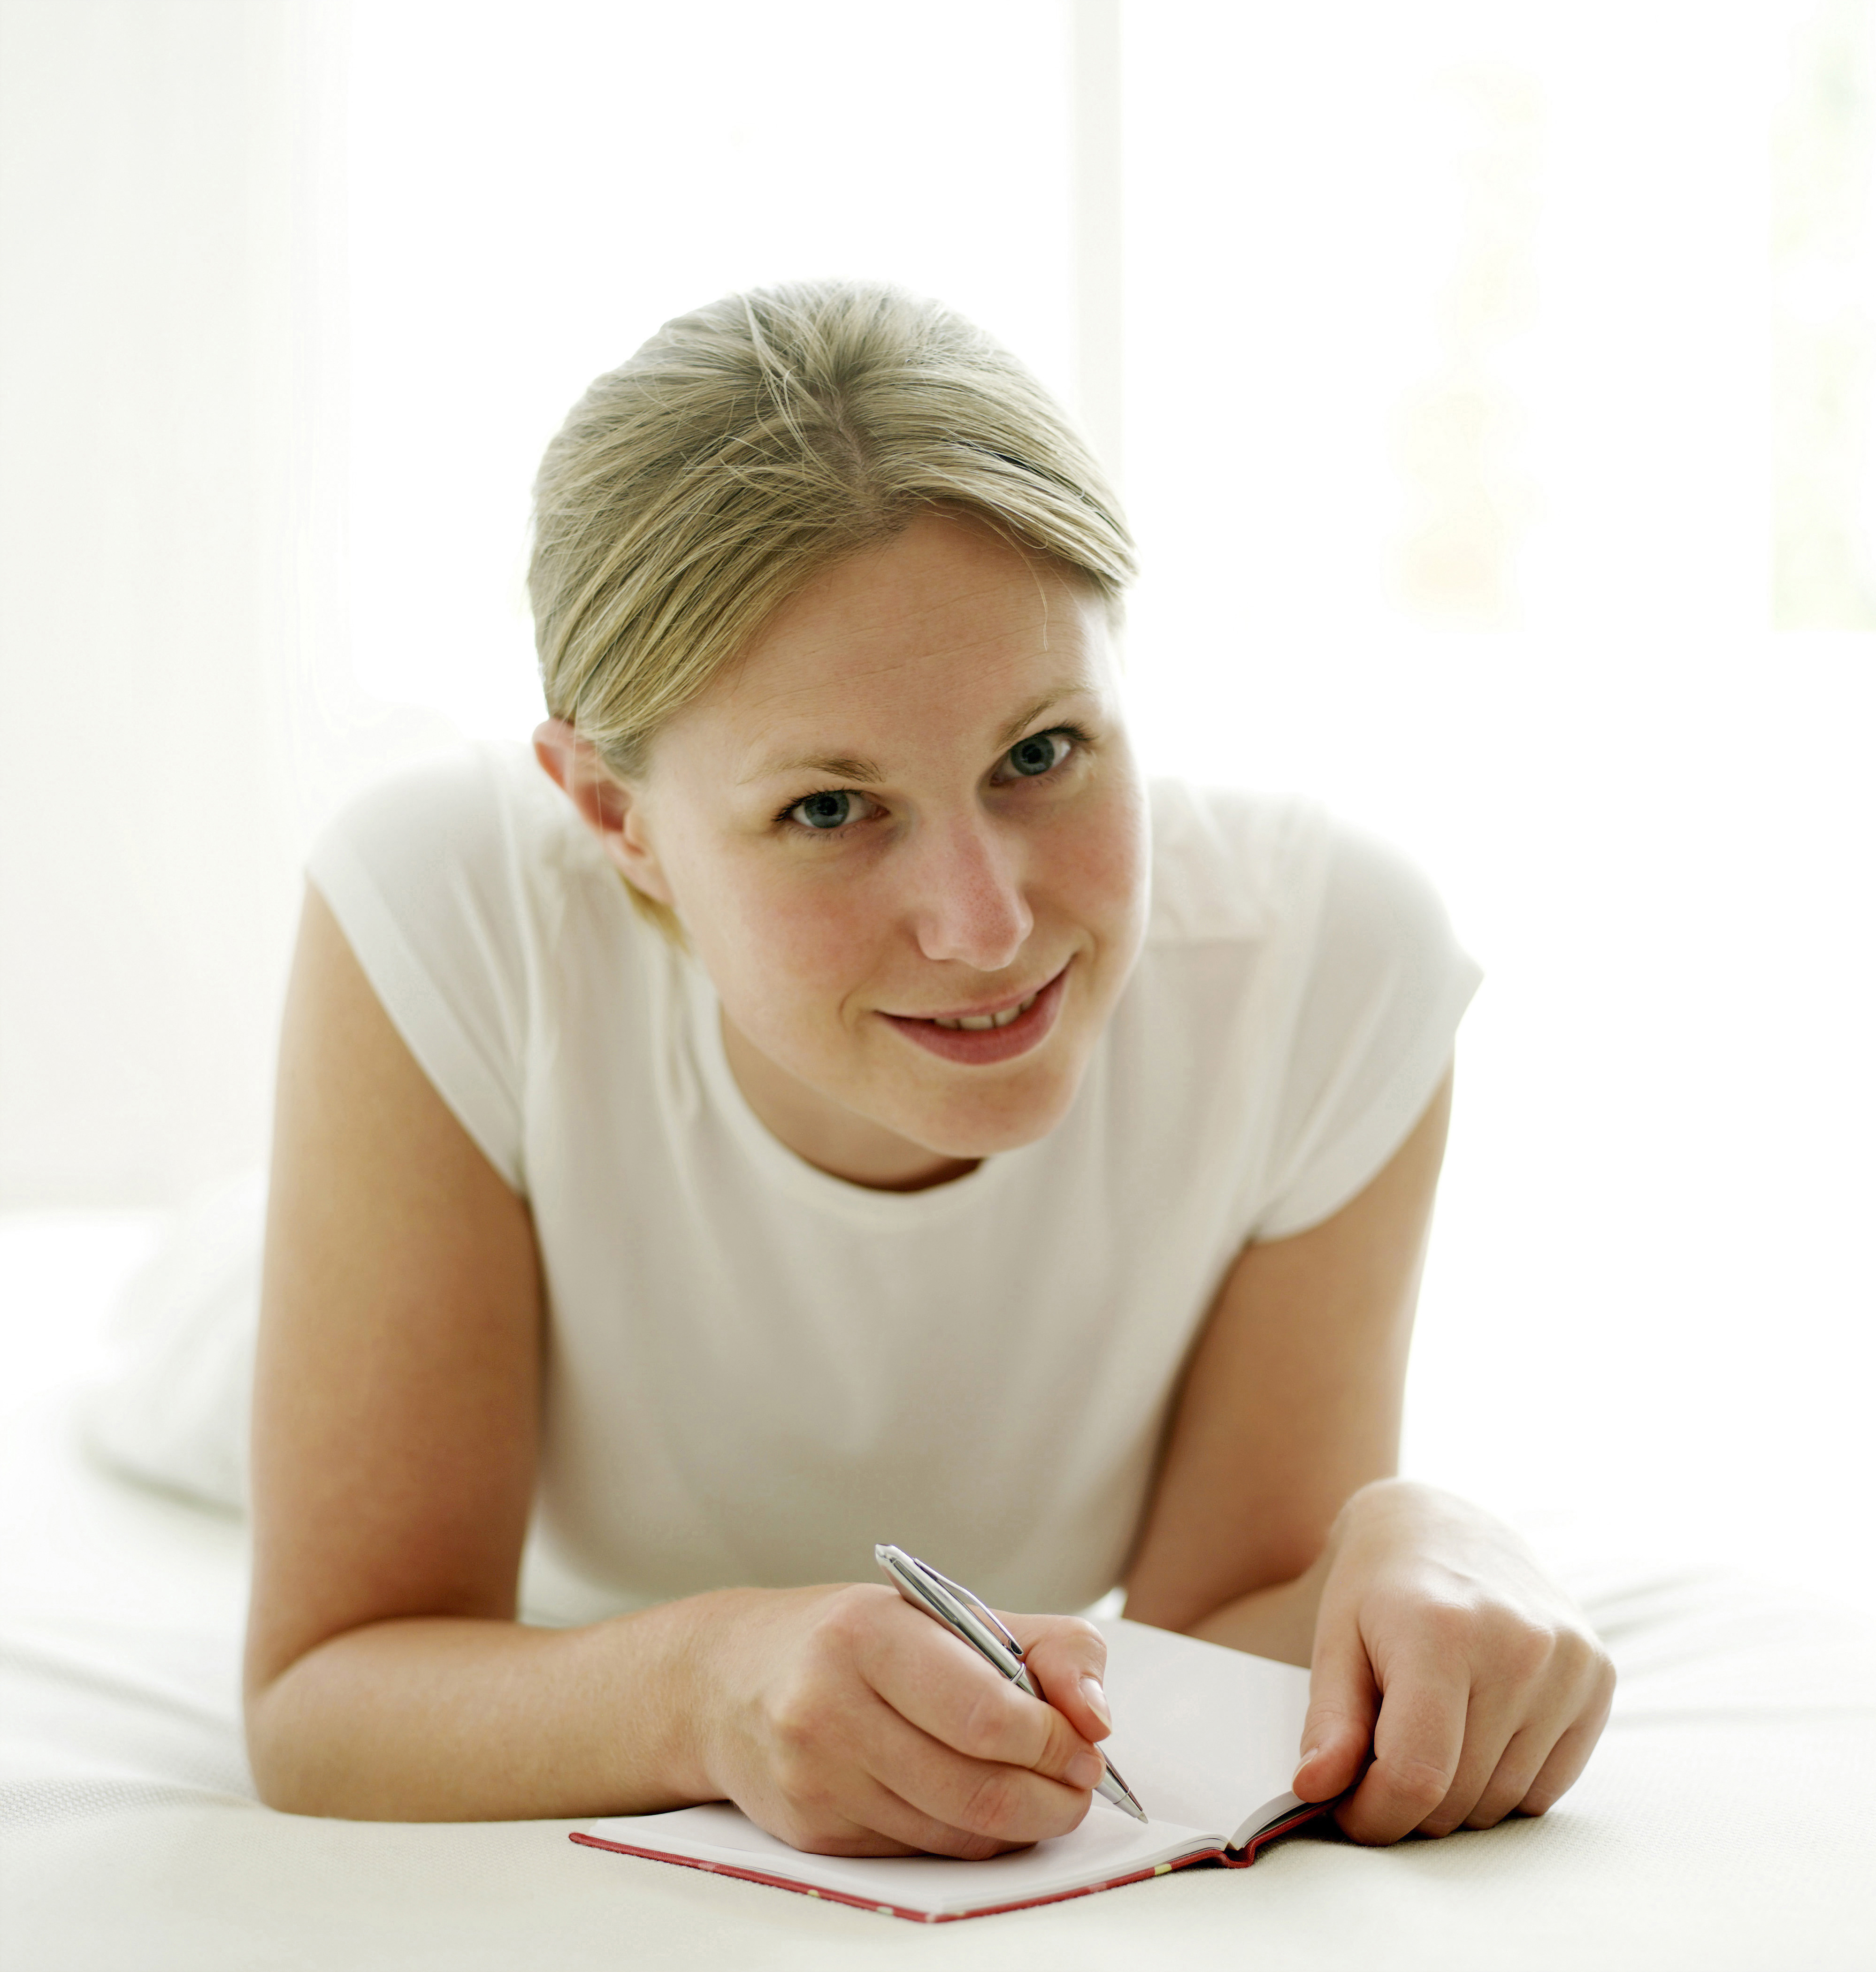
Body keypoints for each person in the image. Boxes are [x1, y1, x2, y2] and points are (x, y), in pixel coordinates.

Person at [244, 280, 1614, 1857]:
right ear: (611, 816)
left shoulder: (1324, 968)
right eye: (830, 808)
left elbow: (1206, 1647)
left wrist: (1418, 1539)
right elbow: (326, 1690)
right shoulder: (448, 914)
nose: (985, 926)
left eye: (1042, 753)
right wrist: (705, 1684)